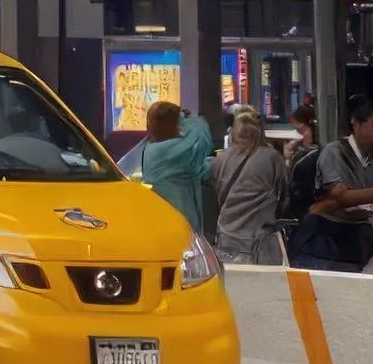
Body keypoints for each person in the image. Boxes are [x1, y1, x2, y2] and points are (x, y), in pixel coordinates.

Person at [309, 96, 373, 271]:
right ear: (356, 123)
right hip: (333, 233)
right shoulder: (334, 151)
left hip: (366, 231)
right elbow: (339, 195)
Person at [122, 90, 216, 237]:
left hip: (161, 217)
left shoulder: (150, 151)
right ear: (174, 125)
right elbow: (202, 131)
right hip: (182, 218)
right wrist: (188, 115)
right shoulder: (178, 150)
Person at [207, 105, 286, 267]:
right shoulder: (272, 158)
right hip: (260, 241)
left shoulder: (220, 159)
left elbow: (215, 197)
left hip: (226, 238)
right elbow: (283, 195)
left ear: (234, 130)